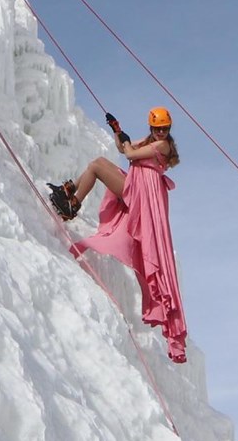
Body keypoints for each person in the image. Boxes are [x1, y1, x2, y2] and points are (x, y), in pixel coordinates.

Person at [48, 107, 188, 363]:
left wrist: (125, 142)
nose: (161, 132)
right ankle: (71, 194)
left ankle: (72, 203)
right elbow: (125, 148)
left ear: (168, 129)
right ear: (151, 127)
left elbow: (131, 153)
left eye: (165, 128)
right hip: (138, 189)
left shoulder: (164, 146)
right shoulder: (150, 141)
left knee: (99, 167)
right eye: (157, 128)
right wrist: (117, 130)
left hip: (142, 196)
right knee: (98, 164)